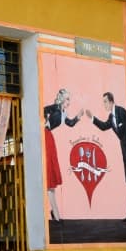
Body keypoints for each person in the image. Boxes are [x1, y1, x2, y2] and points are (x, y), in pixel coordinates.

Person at [86, 91, 126, 222]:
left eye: (105, 102)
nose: (104, 104)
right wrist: (92, 118)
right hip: (124, 151)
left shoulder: (121, 112)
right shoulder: (111, 117)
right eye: (103, 102)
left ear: (111, 101)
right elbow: (103, 127)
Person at [43, 88, 82, 221]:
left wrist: (78, 117)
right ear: (62, 99)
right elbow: (43, 110)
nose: (69, 102)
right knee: (48, 174)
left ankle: (55, 213)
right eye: (67, 99)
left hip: (49, 137)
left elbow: (70, 123)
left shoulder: (63, 113)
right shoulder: (54, 108)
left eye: (69, 99)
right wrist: (45, 120)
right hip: (45, 135)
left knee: (51, 178)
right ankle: (55, 214)